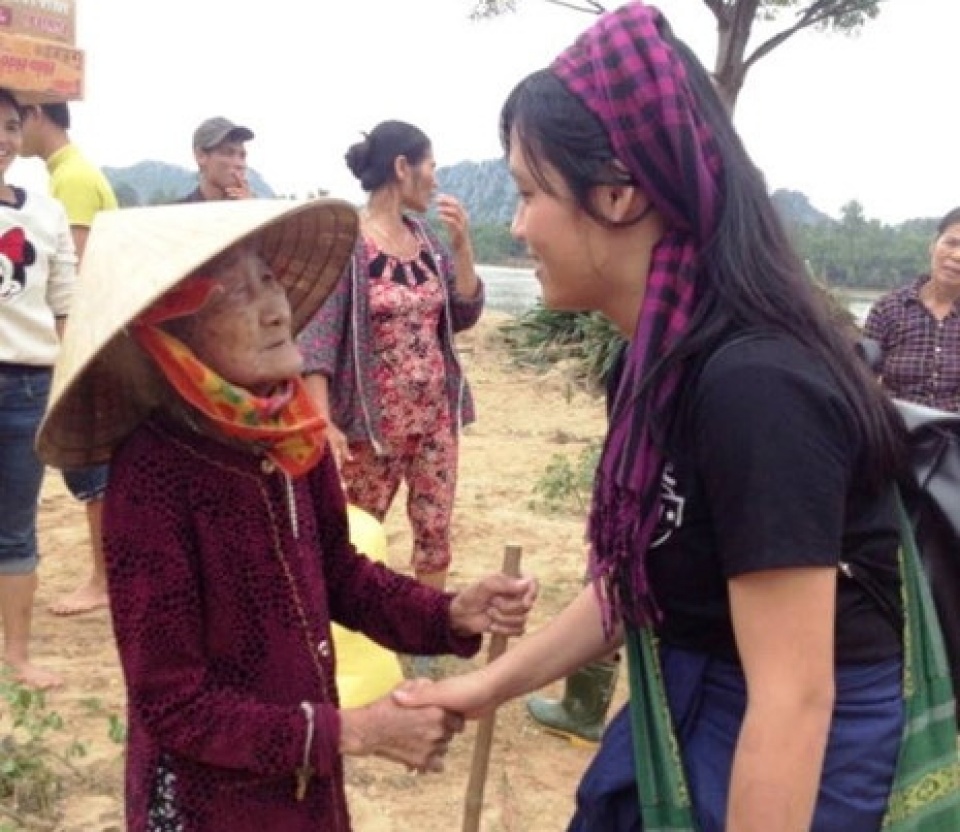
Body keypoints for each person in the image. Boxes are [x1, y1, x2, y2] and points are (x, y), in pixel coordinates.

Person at [395, 5, 955, 830]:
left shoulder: (758, 385)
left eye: (525, 193)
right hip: (705, 701)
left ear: (618, 195)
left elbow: (795, 696)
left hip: (798, 757)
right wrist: (486, 686)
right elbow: (637, 580)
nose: (515, 227)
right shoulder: (655, 363)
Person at [36, 197, 537, 831]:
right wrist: (349, 732)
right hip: (208, 805)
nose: (276, 309)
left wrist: (448, 614)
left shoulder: (291, 434)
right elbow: (173, 705)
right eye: (234, 296)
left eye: (268, 280)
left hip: (303, 792)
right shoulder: (153, 474)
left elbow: (339, 572)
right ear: (174, 336)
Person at [298, 120, 483, 596]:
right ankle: (349, 637)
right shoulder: (348, 243)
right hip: (373, 424)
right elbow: (317, 337)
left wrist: (462, 249)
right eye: (431, 166)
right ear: (403, 167)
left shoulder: (427, 242)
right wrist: (322, 420)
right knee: (359, 528)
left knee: (434, 527)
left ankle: (431, 637)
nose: (436, 178)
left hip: (436, 414)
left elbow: (462, 313)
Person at [20, 100, 119, 616]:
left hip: (81, 342)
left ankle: (103, 578)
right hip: (87, 339)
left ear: (36, 115)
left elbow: (71, 281)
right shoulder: (71, 172)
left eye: (14, 122)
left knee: (90, 469)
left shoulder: (73, 179)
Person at [0, 88, 76, 688]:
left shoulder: (44, 215)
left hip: (27, 385)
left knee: (17, 525)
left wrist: (72, 379)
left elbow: (64, 308)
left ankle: (17, 655)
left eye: (10, 126)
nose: (3, 138)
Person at [863, 207, 960, 413]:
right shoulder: (888, 309)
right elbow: (861, 379)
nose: (957, 255)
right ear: (933, 246)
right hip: (896, 430)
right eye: (951, 243)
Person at [177, 116, 254, 203]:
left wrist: (250, 210)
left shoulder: (256, 212)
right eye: (228, 153)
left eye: (242, 156)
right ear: (200, 156)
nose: (240, 164)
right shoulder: (176, 213)